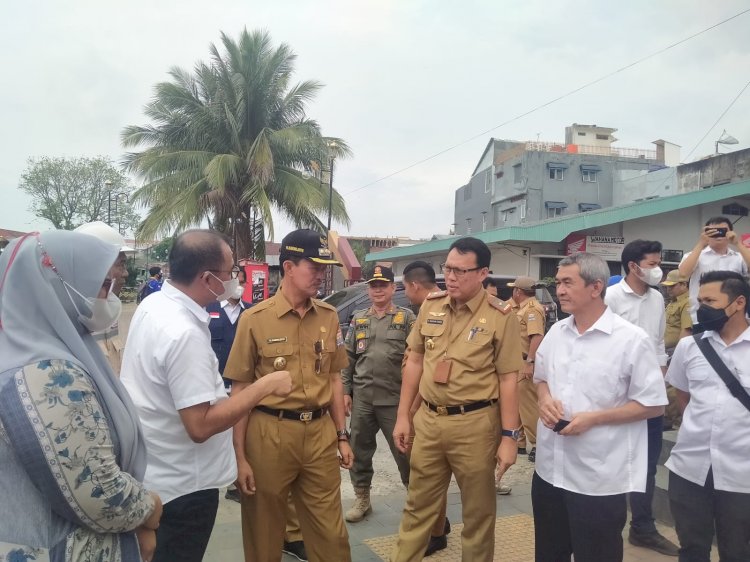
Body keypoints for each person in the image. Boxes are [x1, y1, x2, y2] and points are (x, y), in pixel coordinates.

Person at [120, 229, 292, 562]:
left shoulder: (155, 304)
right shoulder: (182, 332)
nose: (234, 280)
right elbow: (199, 426)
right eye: (230, 273)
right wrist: (263, 387)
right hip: (185, 487)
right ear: (208, 278)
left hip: (156, 470)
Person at [0, 230, 162, 562]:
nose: (109, 296)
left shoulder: (25, 350)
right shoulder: (46, 374)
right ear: (57, 286)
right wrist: (150, 509)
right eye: (103, 285)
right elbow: (99, 493)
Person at [224, 229, 353, 562]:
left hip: (320, 434)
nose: (322, 275)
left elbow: (335, 379)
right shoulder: (254, 320)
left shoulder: (329, 316)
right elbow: (239, 391)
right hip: (269, 433)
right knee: (263, 531)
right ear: (289, 267)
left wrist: (342, 436)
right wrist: (239, 457)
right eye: (315, 267)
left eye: (325, 268)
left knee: (331, 532)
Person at [391, 237, 523, 561]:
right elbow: (415, 362)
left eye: (460, 271)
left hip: (475, 425)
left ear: (482, 274)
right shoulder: (431, 306)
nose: (450, 277)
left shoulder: (501, 315)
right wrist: (404, 416)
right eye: (447, 268)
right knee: (417, 509)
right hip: (430, 421)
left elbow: (509, 379)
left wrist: (509, 437)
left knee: (477, 516)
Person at [533, 252, 667, 562]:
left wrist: (595, 419)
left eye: (568, 282)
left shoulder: (631, 340)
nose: (560, 290)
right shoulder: (557, 332)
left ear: (596, 287)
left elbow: (653, 405)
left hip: (598, 476)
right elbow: (540, 379)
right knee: (549, 553)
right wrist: (544, 399)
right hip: (550, 470)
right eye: (558, 282)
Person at [665, 270, 750, 561]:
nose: (702, 307)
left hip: (742, 473)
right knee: (691, 549)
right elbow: (683, 395)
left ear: (738, 303)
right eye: (699, 300)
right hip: (690, 468)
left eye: (711, 300)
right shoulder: (689, 347)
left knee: (738, 552)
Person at [604, 239, 678, 556]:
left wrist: (658, 381)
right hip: (617, 399)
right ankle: (606, 527)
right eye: (652, 264)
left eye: (658, 262)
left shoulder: (657, 299)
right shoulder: (611, 297)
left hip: (649, 397)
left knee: (647, 465)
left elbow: (659, 344)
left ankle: (643, 528)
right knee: (613, 462)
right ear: (633, 266)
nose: (658, 270)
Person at [342, 265, 415, 522]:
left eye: (383, 285)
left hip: (394, 400)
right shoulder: (359, 318)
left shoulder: (406, 318)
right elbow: (348, 357)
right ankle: (362, 498)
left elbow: (417, 358)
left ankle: (415, 500)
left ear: (393, 288)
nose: (378, 290)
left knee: (405, 452)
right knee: (359, 450)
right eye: (373, 286)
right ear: (368, 289)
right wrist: (345, 391)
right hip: (363, 398)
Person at [402, 260, 452, 556]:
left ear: (414, 285)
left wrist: (411, 410)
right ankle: (437, 526)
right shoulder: (429, 307)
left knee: (429, 473)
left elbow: (431, 366)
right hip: (423, 401)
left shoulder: (436, 307)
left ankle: (435, 529)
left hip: (430, 405)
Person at [74, 220, 134, 374]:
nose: (125, 273)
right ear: (95, 266)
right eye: (120, 264)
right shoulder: (73, 316)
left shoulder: (107, 308)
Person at [678, 216, 750, 323]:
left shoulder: (739, 257)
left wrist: (737, 243)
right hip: (702, 316)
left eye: (723, 231)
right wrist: (701, 243)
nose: (718, 234)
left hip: (733, 317)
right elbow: (683, 274)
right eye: (713, 231)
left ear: (730, 232)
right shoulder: (695, 255)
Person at [507, 276, 545, 464]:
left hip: (525, 362)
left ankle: (539, 445)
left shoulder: (532, 310)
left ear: (518, 292)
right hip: (517, 362)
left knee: (529, 406)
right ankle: (520, 443)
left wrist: (529, 362)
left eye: (514, 290)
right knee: (517, 404)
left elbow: (536, 336)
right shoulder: (521, 309)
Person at [661, 269, 692, 430]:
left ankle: (674, 421)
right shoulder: (673, 302)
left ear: (683, 284)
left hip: (676, 350)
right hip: (665, 350)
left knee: (672, 386)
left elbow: (686, 330)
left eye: (672, 286)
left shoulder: (688, 303)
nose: (668, 289)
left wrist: (679, 354)